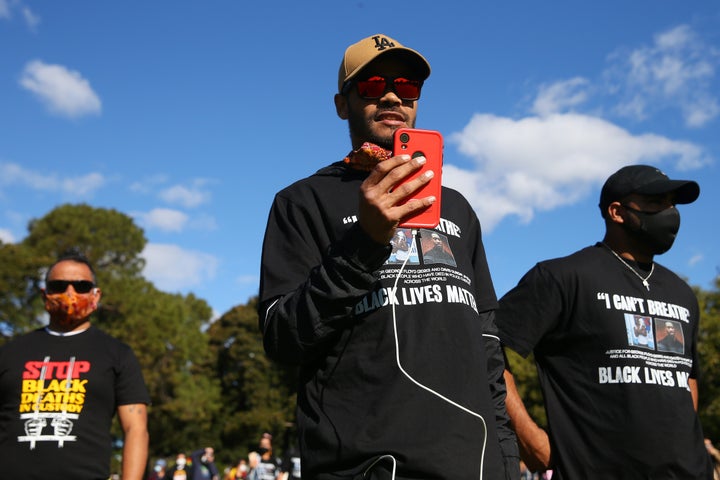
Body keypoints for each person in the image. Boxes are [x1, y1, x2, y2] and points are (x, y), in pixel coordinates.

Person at [258, 33, 517, 479]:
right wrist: (365, 242)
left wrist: (507, 462)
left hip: (474, 464)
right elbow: (282, 337)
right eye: (374, 85)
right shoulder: (301, 201)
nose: (394, 95)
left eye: (408, 87)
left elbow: (488, 348)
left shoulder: (456, 207)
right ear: (343, 104)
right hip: (365, 464)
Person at [496, 165, 712, 478]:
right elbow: (484, 345)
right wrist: (529, 440)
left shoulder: (682, 292)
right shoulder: (562, 277)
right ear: (617, 212)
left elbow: (687, 376)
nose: (671, 213)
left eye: (673, 204)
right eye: (657, 203)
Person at [0, 249, 150, 479]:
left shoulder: (118, 354)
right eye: (58, 286)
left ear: (96, 296)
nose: (70, 293)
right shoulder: (10, 352)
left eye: (81, 286)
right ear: (44, 295)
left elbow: (135, 429)